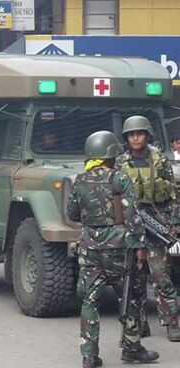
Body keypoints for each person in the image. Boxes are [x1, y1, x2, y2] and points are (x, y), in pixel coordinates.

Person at [67, 131, 159, 367]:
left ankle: (89, 355)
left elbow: (72, 214)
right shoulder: (119, 179)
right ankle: (131, 349)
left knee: (89, 300)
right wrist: (139, 245)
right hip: (119, 247)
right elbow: (132, 215)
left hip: (89, 247)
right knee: (130, 296)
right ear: (111, 154)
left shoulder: (80, 180)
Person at [115, 116, 180, 341]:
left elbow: (172, 195)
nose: (135, 138)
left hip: (156, 224)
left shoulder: (159, 160)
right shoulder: (120, 162)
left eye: (139, 133)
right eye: (131, 135)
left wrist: (173, 225)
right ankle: (139, 323)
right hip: (131, 225)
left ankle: (172, 322)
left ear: (147, 135)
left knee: (161, 277)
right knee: (134, 278)